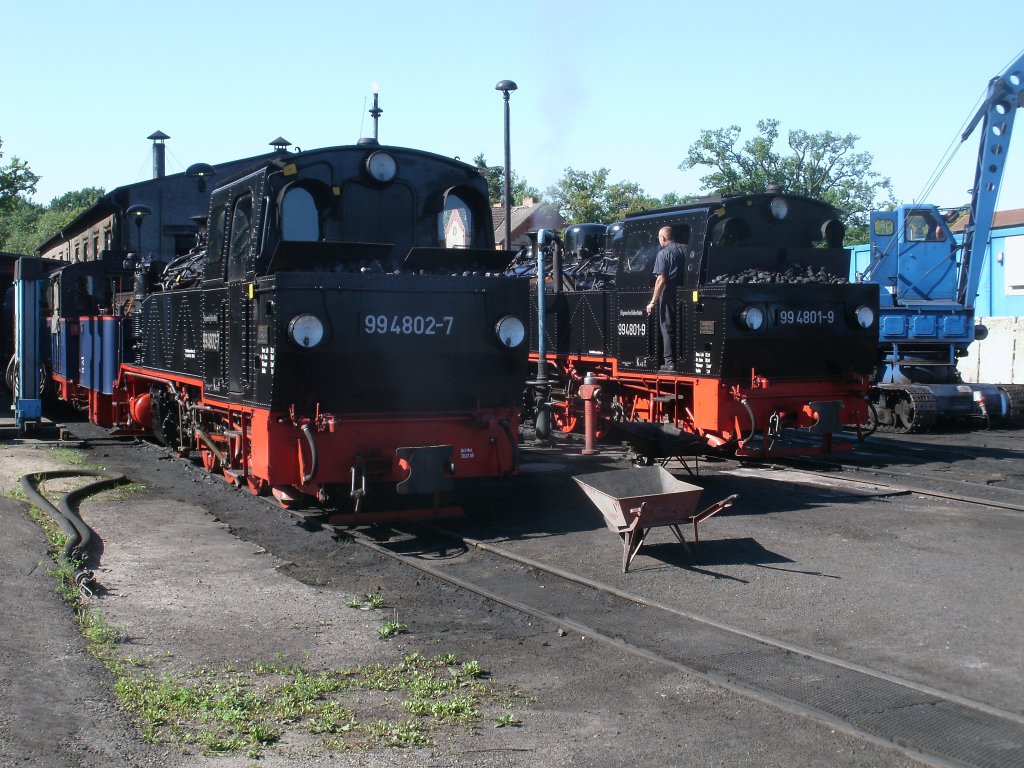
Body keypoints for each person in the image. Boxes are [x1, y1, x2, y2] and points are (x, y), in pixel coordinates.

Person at [646, 226, 685, 371]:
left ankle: (669, 362)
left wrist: (652, 302)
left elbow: (661, 279)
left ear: (663, 238)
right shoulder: (686, 249)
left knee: (667, 327)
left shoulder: (663, 254)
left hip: (668, 293)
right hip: (684, 293)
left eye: (658, 238)